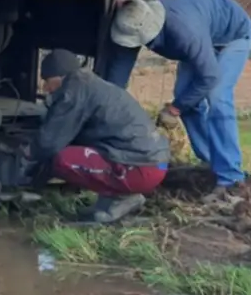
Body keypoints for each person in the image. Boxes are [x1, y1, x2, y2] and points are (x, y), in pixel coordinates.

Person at [103, 0, 251, 201]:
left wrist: (174, 109)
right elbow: (117, 78)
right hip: (204, 35)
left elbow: (209, 76)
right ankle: (212, 163)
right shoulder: (132, 22)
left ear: (150, 31)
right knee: (186, 97)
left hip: (233, 35)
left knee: (217, 97)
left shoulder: (184, 32)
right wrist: (105, 105)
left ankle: (231, 179)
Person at [27, 49, 171, 223]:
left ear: (60, 77)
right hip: (155, 163)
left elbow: (49, 143)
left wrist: (24, 158)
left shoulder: (74, 91)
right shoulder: (89, 84)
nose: (45, 88)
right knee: (86, 153)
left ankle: (122, 198)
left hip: (142, 169)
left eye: (47, 81)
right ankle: (115, 198)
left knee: (62, 159)